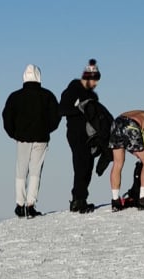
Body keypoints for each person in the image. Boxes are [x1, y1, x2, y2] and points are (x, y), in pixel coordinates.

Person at [1, 64, 61, 218]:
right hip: (41, 138)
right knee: (35, 172)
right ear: (38, 76)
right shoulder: (47, 95)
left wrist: (14, 134)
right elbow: (56, 116)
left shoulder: (14, 97)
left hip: (22, 138)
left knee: (21, 171)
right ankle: (30, 204)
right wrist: (47, 129)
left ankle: (20, 205)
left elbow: (6, 117)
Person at [59, 59, 102, 213]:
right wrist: (81, 109)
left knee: (88, 165)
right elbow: (62, 109)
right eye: (94, 80)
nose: (96, 84)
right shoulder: (72, 90)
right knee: (80, 164)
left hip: (90, 135)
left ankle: (81, 198)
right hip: (76, 133)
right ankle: (78, 199)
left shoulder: (93, 96)